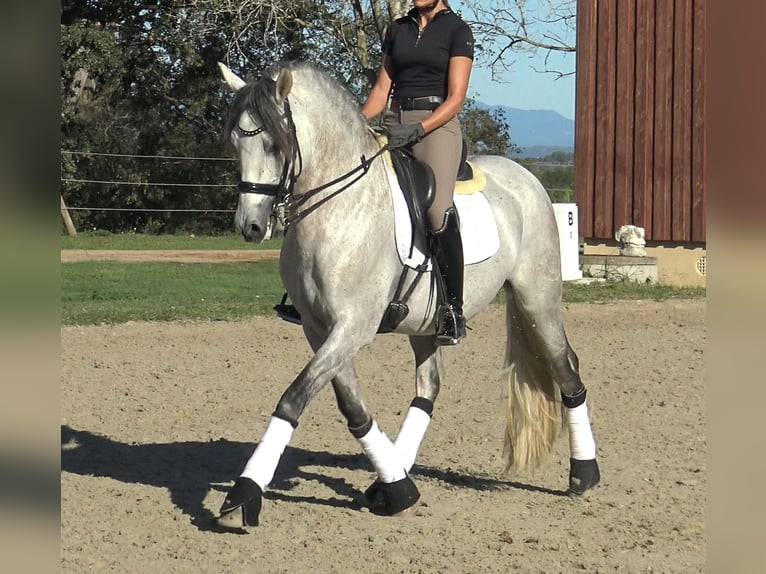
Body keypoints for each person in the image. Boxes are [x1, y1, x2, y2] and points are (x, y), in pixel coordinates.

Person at [361, 0, 474, 346]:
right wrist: (353, 124)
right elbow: (382, 89)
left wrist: (419, 129)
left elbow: (456, 98)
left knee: (436, 210)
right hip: (394, 121)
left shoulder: (457, 31)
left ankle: (453, 310)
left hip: (436, 125)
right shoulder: (398, 29)